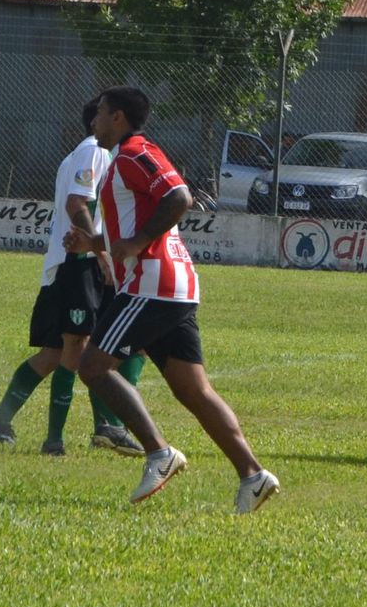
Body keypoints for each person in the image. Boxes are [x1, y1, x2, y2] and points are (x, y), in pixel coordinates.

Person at [63, 86, 280, 514]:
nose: (94, 122)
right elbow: (135, 223)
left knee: (91, 365)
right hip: (170, 285)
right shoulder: (122, 160)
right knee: (193, 391)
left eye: (101, 114)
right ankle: (253, 475)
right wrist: (96, 242)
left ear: (119, 118)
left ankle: (159, 453)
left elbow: (179, 198)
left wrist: (138, 242)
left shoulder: (134, 154)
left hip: (152, 284)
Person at [0, 97, 147, 457]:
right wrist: (100, 254)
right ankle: (56, 439)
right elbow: (77, 203)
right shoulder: (92, 153)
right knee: (77, 348)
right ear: (100, 122)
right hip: (78, 263)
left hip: (78, 262)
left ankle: (0, 418)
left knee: (60, 351)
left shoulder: (97, 154)